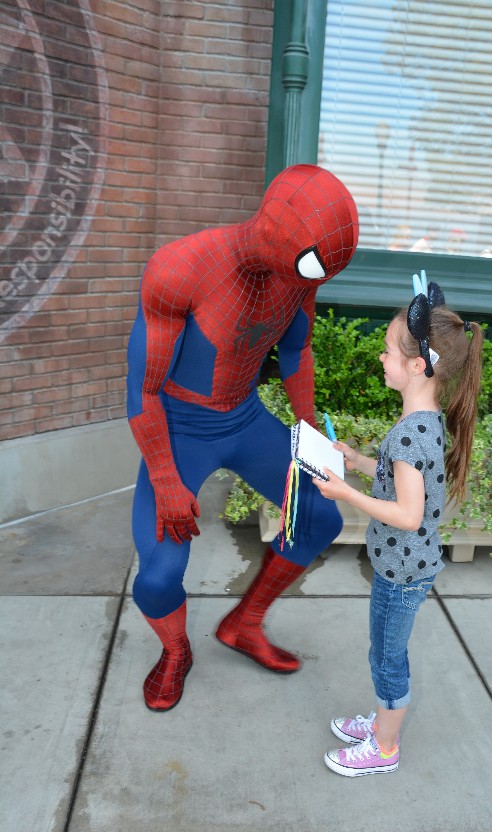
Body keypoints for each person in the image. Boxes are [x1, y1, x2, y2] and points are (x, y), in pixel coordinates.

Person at [127, 164, 359, 711]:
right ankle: (176, 650)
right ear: (280, 233)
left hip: (247, 418)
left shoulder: (300, 275)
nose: (314, 284)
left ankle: (244, 623)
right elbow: (143, 390)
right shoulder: (181, 268)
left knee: (321, 515)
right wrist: (164, 477)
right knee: (158, 577)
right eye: (314, 268)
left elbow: (296, 353)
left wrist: (309, 438)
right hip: (181, 428)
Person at [313, 273, 483, 775]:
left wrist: (345, 493)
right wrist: (356, 459)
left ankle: (384, 747)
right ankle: (383, 723)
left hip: (400, 573)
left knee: (387, 660)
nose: (381, 358)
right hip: (407, 567)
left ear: (415, 365)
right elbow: (398, 478)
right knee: (384, 651)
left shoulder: (412, 435)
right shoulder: (422, 422)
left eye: (388, 351)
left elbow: (407, 514)